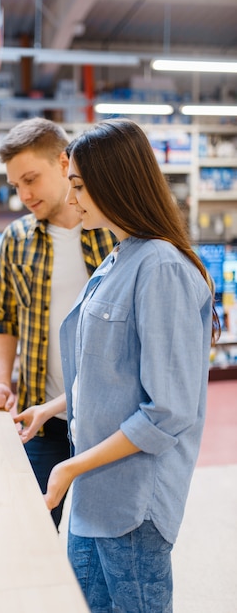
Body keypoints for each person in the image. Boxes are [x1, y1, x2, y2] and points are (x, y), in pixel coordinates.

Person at [14, 119, 220, 612]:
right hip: (93, 494)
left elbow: (166, 411)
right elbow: (111, 370)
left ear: (114, 182)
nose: (73, 195)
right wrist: (52, 408)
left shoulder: (161, 268)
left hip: (131, 503)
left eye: (80, 185)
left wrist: (69, 467)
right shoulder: (118, 255)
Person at [0, 117, 115, 528]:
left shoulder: (111, 232)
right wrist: (2, 381)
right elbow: (1, 315)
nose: (24, 194)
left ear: (62, 162)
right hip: (41, 415)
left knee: (103, 537)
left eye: (31, 179)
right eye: (16, 185)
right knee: (33, 528)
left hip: (106, 418)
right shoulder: (16, 238)